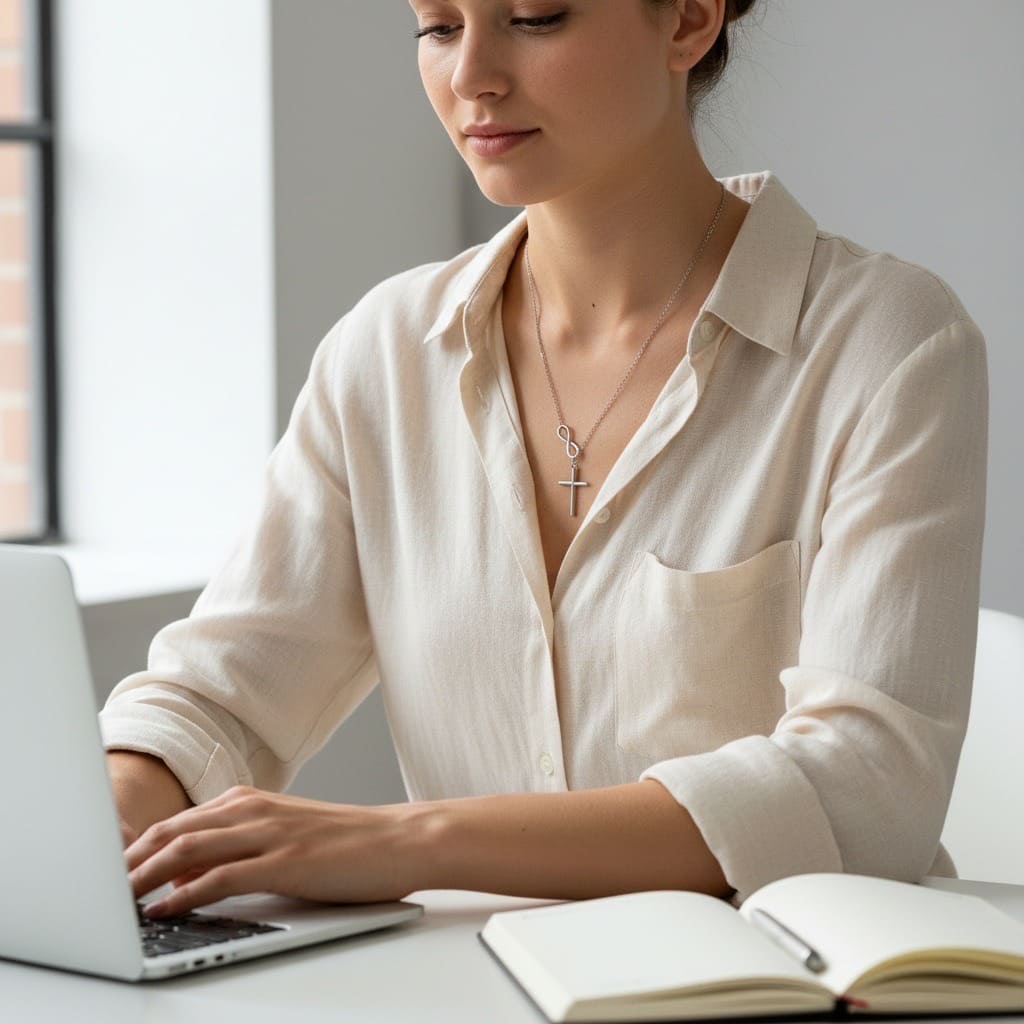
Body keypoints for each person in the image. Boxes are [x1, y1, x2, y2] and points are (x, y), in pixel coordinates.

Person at [102, 0, 988, 921]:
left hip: (772, 978)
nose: (471, 77)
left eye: (534, 17)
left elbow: (869, 787)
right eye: (439, 27)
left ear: (689, 20)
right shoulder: (387, 351)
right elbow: (221, 696)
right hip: (468, 981)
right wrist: (108, 817)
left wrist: (407, 842)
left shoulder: (884, 341)